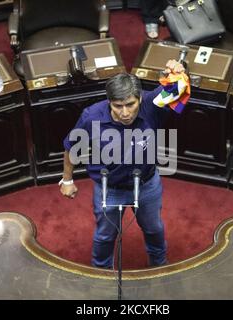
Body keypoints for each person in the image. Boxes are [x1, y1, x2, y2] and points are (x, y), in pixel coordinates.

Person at [60, 59, 186, 269]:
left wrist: (178, 70)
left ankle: (161, 268)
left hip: (146, 185)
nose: (125, 113)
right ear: (109, 101)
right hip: (109, 188)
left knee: (154, 230)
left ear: (140, 98)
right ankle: (101, 273)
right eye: (118, 106)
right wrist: (66, 179)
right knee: (104, 236)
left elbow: (179, 87)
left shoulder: (153, 104)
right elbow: (71, 146)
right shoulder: (91, 117)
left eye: (131, 105)